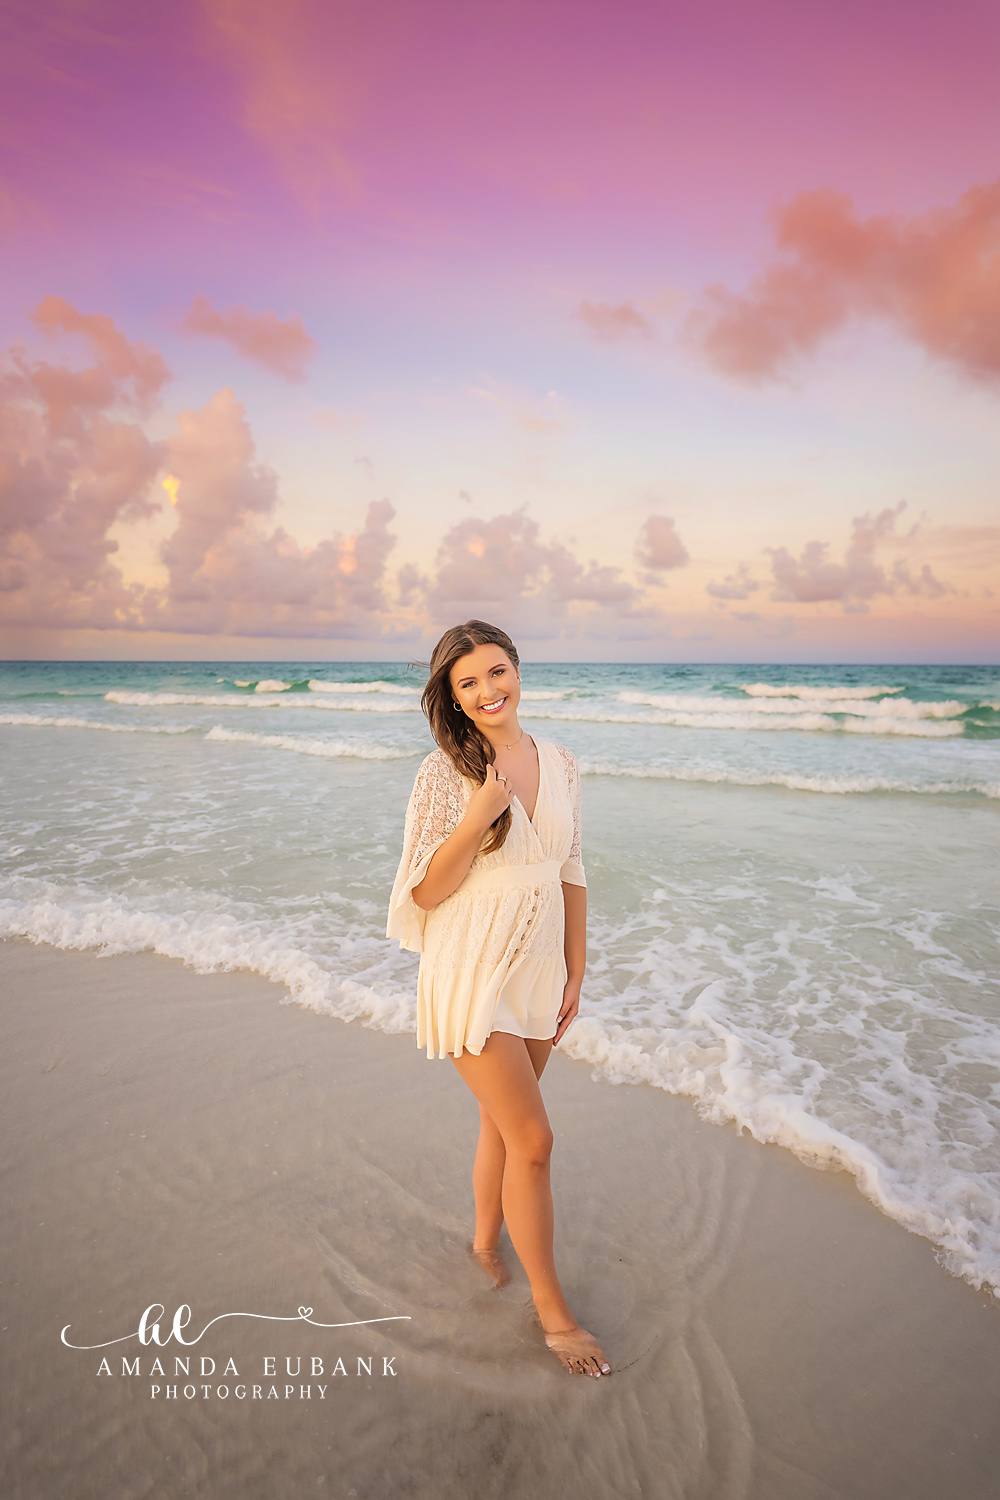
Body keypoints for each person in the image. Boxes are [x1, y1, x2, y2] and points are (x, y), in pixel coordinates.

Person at [386, 619, 612, 1378]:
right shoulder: (445, 771)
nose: (488, 691)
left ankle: (484, 1238)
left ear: (518, 668)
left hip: (539, 965)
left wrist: (576, 969)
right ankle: (555, 1316)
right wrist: (481, 812)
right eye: (468, 682)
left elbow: (572, 867)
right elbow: (423, 889)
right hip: (471, 968)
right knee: (536, 1141)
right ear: (451, 696)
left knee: (503, 1124)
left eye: (496, 671)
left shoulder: (562, 762)